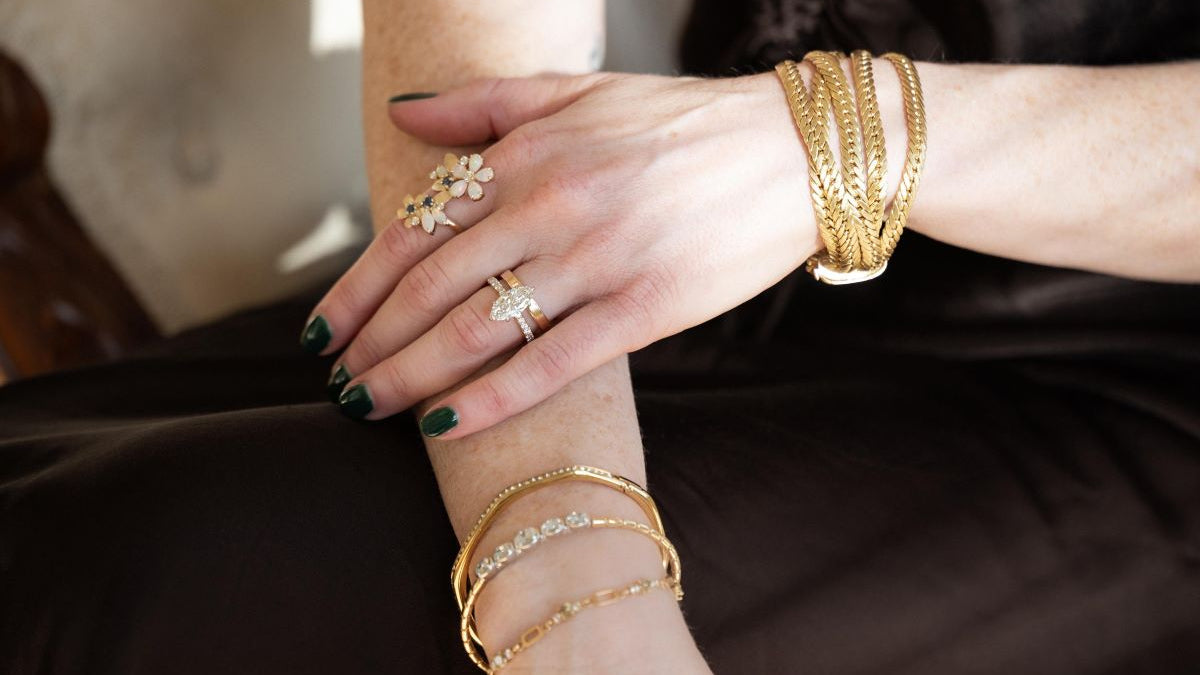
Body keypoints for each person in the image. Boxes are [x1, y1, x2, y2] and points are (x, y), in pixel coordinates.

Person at [3, 1, 1199, 673]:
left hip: (1137, 374)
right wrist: (563, 545)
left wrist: (841, 141)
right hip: (699, 194)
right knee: (117, 532)